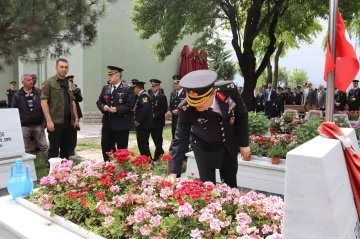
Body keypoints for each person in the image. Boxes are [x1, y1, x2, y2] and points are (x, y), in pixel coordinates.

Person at [167, 70, 250, 188]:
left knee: (230, 186)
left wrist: (244, 143)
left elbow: (241, 114)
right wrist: (173, 172)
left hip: (227, 143)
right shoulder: (186, 108)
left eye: (202, 102)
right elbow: (180, 139)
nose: (197, 106)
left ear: (214, 92)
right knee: (207, 187)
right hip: (203, 146)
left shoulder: (229, 91)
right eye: (194, 102)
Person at [41, 58, 80, 160]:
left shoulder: (69, 84)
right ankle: (52, 172)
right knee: (54, 149)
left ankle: (65, 171)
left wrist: (76, 119)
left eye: (66, 67)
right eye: (61, 67)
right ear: (56, 68)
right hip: (55, 121)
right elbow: (43, 101)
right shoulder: (49, 82)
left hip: (68, 121)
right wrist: (49, 121)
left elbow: (73, 102)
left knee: (66, 149)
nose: (64, 69)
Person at [96, 66, 135, 162]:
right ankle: (108, 165)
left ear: (117, 76)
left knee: (121, 148)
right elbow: (99, 102)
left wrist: (117, 109)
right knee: (106, 145)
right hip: (107, 123)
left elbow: (130, 105)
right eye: (108, 75)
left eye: (111, 75)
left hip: (121, 124)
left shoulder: (127, 89)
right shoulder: (106, 88)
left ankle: (121, 168)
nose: (108, 77)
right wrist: (103, 107)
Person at [11, 74, 49, 166]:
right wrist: (18, 124)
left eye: (31, 79)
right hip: (24, 126)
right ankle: (27, 167)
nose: (31, 81)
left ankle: (49, 164)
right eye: (28, 80)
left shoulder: (38, 93)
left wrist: (44, 122)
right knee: (26, 148)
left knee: (44, 146)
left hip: (38, 125)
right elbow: (14, 111)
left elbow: (44, 108)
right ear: (22, 82)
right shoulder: (17, 95)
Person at [132, 79, 154, 159]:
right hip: (142, 125)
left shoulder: (144, 95)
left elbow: (145, 108)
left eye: (134, 88)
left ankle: (148, 162)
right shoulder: (139, 96)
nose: (133, 90)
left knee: (143, 144)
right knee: (141, 144)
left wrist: (138, 120)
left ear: (137, 88)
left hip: (144, 125)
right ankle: (144, 160)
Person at [149, 79, 168, 161]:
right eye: (152, 86)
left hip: (159, 121)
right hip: (152, 121)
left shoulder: (162, 97)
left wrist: (155, 114)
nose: (153, 87)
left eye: (154, 86)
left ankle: (157, 154)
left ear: (158, 86)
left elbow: (164, 109)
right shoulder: (150, 95)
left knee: (158, 137)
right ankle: (160, 151)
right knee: (153, 137)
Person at [165, 75, 186, 140]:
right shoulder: (173, 94)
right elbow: (170, 105)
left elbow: (188, 106)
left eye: (177, 83)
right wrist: (169, 111)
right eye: (174, 83)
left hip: (183, 119)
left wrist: (179, 111)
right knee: (174, 135)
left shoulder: (186, 93)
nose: (175, 84)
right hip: (174, 119)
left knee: (182, 136)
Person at [67, 75, 83, 156]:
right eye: (69, 82)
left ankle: (72, 148)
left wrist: (75, 91)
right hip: (67, 113)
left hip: (75, 113)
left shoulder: (76, 89)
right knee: (68, 132)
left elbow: (80, 99)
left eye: (72, 81)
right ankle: (67, 148)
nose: (71, 83)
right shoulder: (64, 90)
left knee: (74, 132)